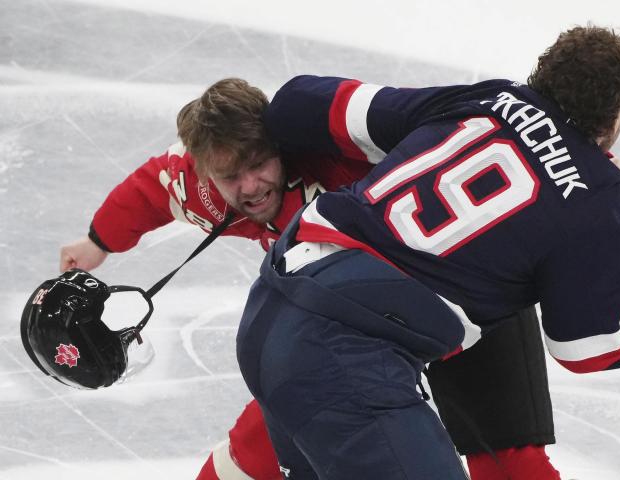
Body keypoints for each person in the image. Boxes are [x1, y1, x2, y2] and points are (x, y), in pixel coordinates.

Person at [62, 78, 561, 479]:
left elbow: (473, 136)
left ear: (279, 145)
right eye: (230, 177)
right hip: (356, 325)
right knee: (257, 448)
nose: (250, 188)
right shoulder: (200, 189)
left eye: (259, 165)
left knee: (512, 463)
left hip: (463, 297)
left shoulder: (340, 150)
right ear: (203, 174)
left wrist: (582, 179)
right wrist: (98, 242)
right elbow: (150, 190)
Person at [235, 25, 620, 479]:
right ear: (614, 118)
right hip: (346, 354)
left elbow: (294, 106)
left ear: (541, 76)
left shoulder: (486, 99)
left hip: (271, 304)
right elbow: (586, 349)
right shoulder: (602, 199)